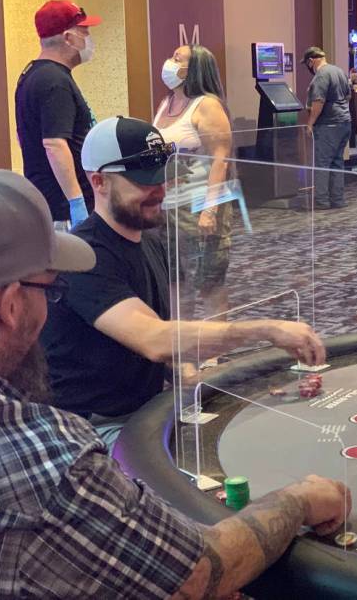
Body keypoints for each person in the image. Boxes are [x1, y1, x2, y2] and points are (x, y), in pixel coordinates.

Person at [0, 169, 352, 598]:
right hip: (106, 423)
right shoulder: (45, 460)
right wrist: (298, 500)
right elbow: (195, 571)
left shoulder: (152, 242)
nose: (158, 188)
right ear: (9, 306)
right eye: (51, 288)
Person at [41, 116, 326, 447]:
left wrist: (218, 384)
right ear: (99, 182)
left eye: (162, 178)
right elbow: (155, 339)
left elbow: (170, 347)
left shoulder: (151, 241)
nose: (160, 190)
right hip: (90, 428)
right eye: (143, 181)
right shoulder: (84, 255)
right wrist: (269, 330)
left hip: (144, 408)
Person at [153, 43, 234, 317]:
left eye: (177, 59)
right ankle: (183, 347)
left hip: (199, 206)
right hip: (167, 208)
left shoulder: (207, 106)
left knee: (208, 282)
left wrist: (210, 210)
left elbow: (220, 160)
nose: (169, 63)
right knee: (176, 282)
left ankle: (214, 354)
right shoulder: (167, 103)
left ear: (194, 69)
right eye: (171, 56)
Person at [14, 0, 101, 228]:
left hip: (54, 207)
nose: (89, 38)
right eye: (84, 31)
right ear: (68, 38)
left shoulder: (33, 74)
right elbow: (54, 144)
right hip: (63, 213)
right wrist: (76, 203)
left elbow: (23, 136)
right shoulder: (54, 81)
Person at [303, 46, 352, 210]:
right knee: (337, 161)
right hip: (344, 123)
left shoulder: (321, 75)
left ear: (311, 61)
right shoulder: (338, 71)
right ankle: (337, 199)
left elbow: (318, 102)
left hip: (328, 125)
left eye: (307, 64)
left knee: (322, 163)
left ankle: (322, 201)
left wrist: (310, 123)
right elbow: (349, 95)